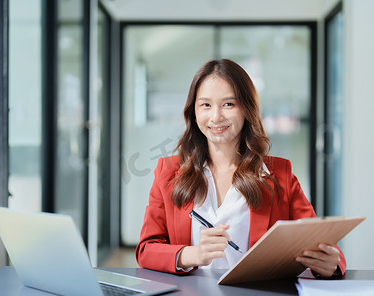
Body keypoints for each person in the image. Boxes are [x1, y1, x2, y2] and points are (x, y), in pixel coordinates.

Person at [136, 59, 345, 278]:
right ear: (194, 112)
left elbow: (321, 241)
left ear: (247, 109)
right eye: (205, 105)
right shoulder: (167, 172)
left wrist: (331, 263)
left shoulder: (280, 175)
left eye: (228, 104)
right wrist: (193, 254)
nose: (216, 117)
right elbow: (145, 250)